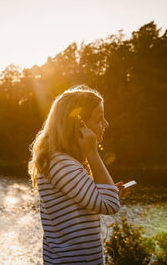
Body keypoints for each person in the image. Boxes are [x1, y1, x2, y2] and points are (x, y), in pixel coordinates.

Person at [28, 85, 130, 264]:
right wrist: (92, 153)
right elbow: (110, 206)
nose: (106, 124)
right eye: (99, 119)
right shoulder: (60, 164)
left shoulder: (64, 162)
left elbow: (93, 201)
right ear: (79, 126)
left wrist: (109, 192)